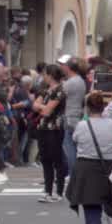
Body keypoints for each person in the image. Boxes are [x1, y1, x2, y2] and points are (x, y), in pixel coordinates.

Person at [65, 92, 112, 224]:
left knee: (92, 213)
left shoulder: (83, 125)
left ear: (87, 108)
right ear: (104, 107)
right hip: (110, 168)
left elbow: (75, 140)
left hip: (87, 169)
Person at [33, 65, 67, 202]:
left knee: (56, 159)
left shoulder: (60, 90)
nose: (44, 77)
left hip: (55, 128)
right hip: (43, 127)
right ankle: (47, 191)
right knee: (45, 159)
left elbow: (47, 111)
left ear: (51, 75)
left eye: (45, 74)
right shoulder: (45, 90)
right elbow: (35, 106)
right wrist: (44, 108)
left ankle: (58, 192)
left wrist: (43, 108)